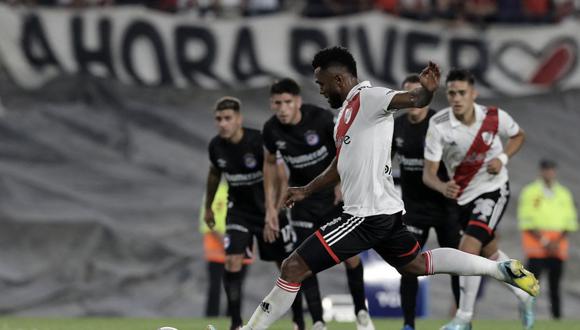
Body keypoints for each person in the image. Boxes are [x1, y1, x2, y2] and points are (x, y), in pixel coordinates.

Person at [206, 46, 539, 330]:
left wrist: (426, 91)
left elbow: (410, 98)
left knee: (293, 266)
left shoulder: (370, 97)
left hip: (364, 214)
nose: (320, 91)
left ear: (339, 79)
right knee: (416, 264)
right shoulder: (346, 114)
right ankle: (498, 269)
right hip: (384, 213)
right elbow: (340, 165)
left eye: (321, 84)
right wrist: (306, 189)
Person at [422, 68, 535, 330]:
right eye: (451, 93)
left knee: (469, 248)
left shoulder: (495, 117)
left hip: (494, 189)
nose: (457, 98)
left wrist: (502, 158)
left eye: (462, 93)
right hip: (462, 198)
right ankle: (522, 295)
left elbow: (519, 135)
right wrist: (442, 187)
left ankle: (464, 317)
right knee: (489, 252)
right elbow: (429, 174)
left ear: (474, 93)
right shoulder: (438, 125)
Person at [262, 78, 373, 330]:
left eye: (287, 102)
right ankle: (318, 322)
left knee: (352, 258)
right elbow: (269, 164)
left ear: (298, 102)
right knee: (303, 263)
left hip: (332, 197)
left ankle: (362, 315)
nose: (282, 108)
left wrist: (340, 182)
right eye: (277, 103)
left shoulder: (320, 119)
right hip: (301, 200)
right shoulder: (271, 130)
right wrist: (270, 208)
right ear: (271, 105)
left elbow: (345, 148)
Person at [204, 97, 298, 330]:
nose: (222, 124)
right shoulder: (215, 146)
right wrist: (208, 206)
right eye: (218, 119)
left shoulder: (258, 142)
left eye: (227, 118)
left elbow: (281, 177)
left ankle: (299, 321)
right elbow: (215, 174)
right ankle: (236, 324)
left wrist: (273, 213)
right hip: (239, 213)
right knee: (233, 261)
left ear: (239, 119)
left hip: (268, 212)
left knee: (289, 267)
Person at [392, 74, 461, 330]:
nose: (412, 99)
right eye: (406, 94)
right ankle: (408, 324)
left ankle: (461, 319)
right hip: (414, 210)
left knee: (457, 265)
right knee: (408, 266)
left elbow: (459, 158)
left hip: (446, 209)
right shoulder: (396, 126)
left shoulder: (440, 124)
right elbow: (384, 163)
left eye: (416, 93)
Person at [518, 158, 578, 319]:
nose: (549, 173)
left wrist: (556, 242)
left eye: (551, 169)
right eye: (546, 169)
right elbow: (526, 220)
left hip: (557, 248)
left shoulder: (563, 193)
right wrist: (545, 241)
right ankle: (526, 316)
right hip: (536, 247)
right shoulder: (530, 192)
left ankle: (556, 319)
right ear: (541, 171)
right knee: (531, 284)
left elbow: (570, 221)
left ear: (554, 172)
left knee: (555, 285)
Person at [200, 181, 254, 317]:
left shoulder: (248, 190)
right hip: (217, 250)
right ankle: (211, 317)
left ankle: (233, 318)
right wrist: (227, 241)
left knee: (236, 285)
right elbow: (207, 219)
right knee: (215, 286)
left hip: (240, 247)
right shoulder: (216, 191)